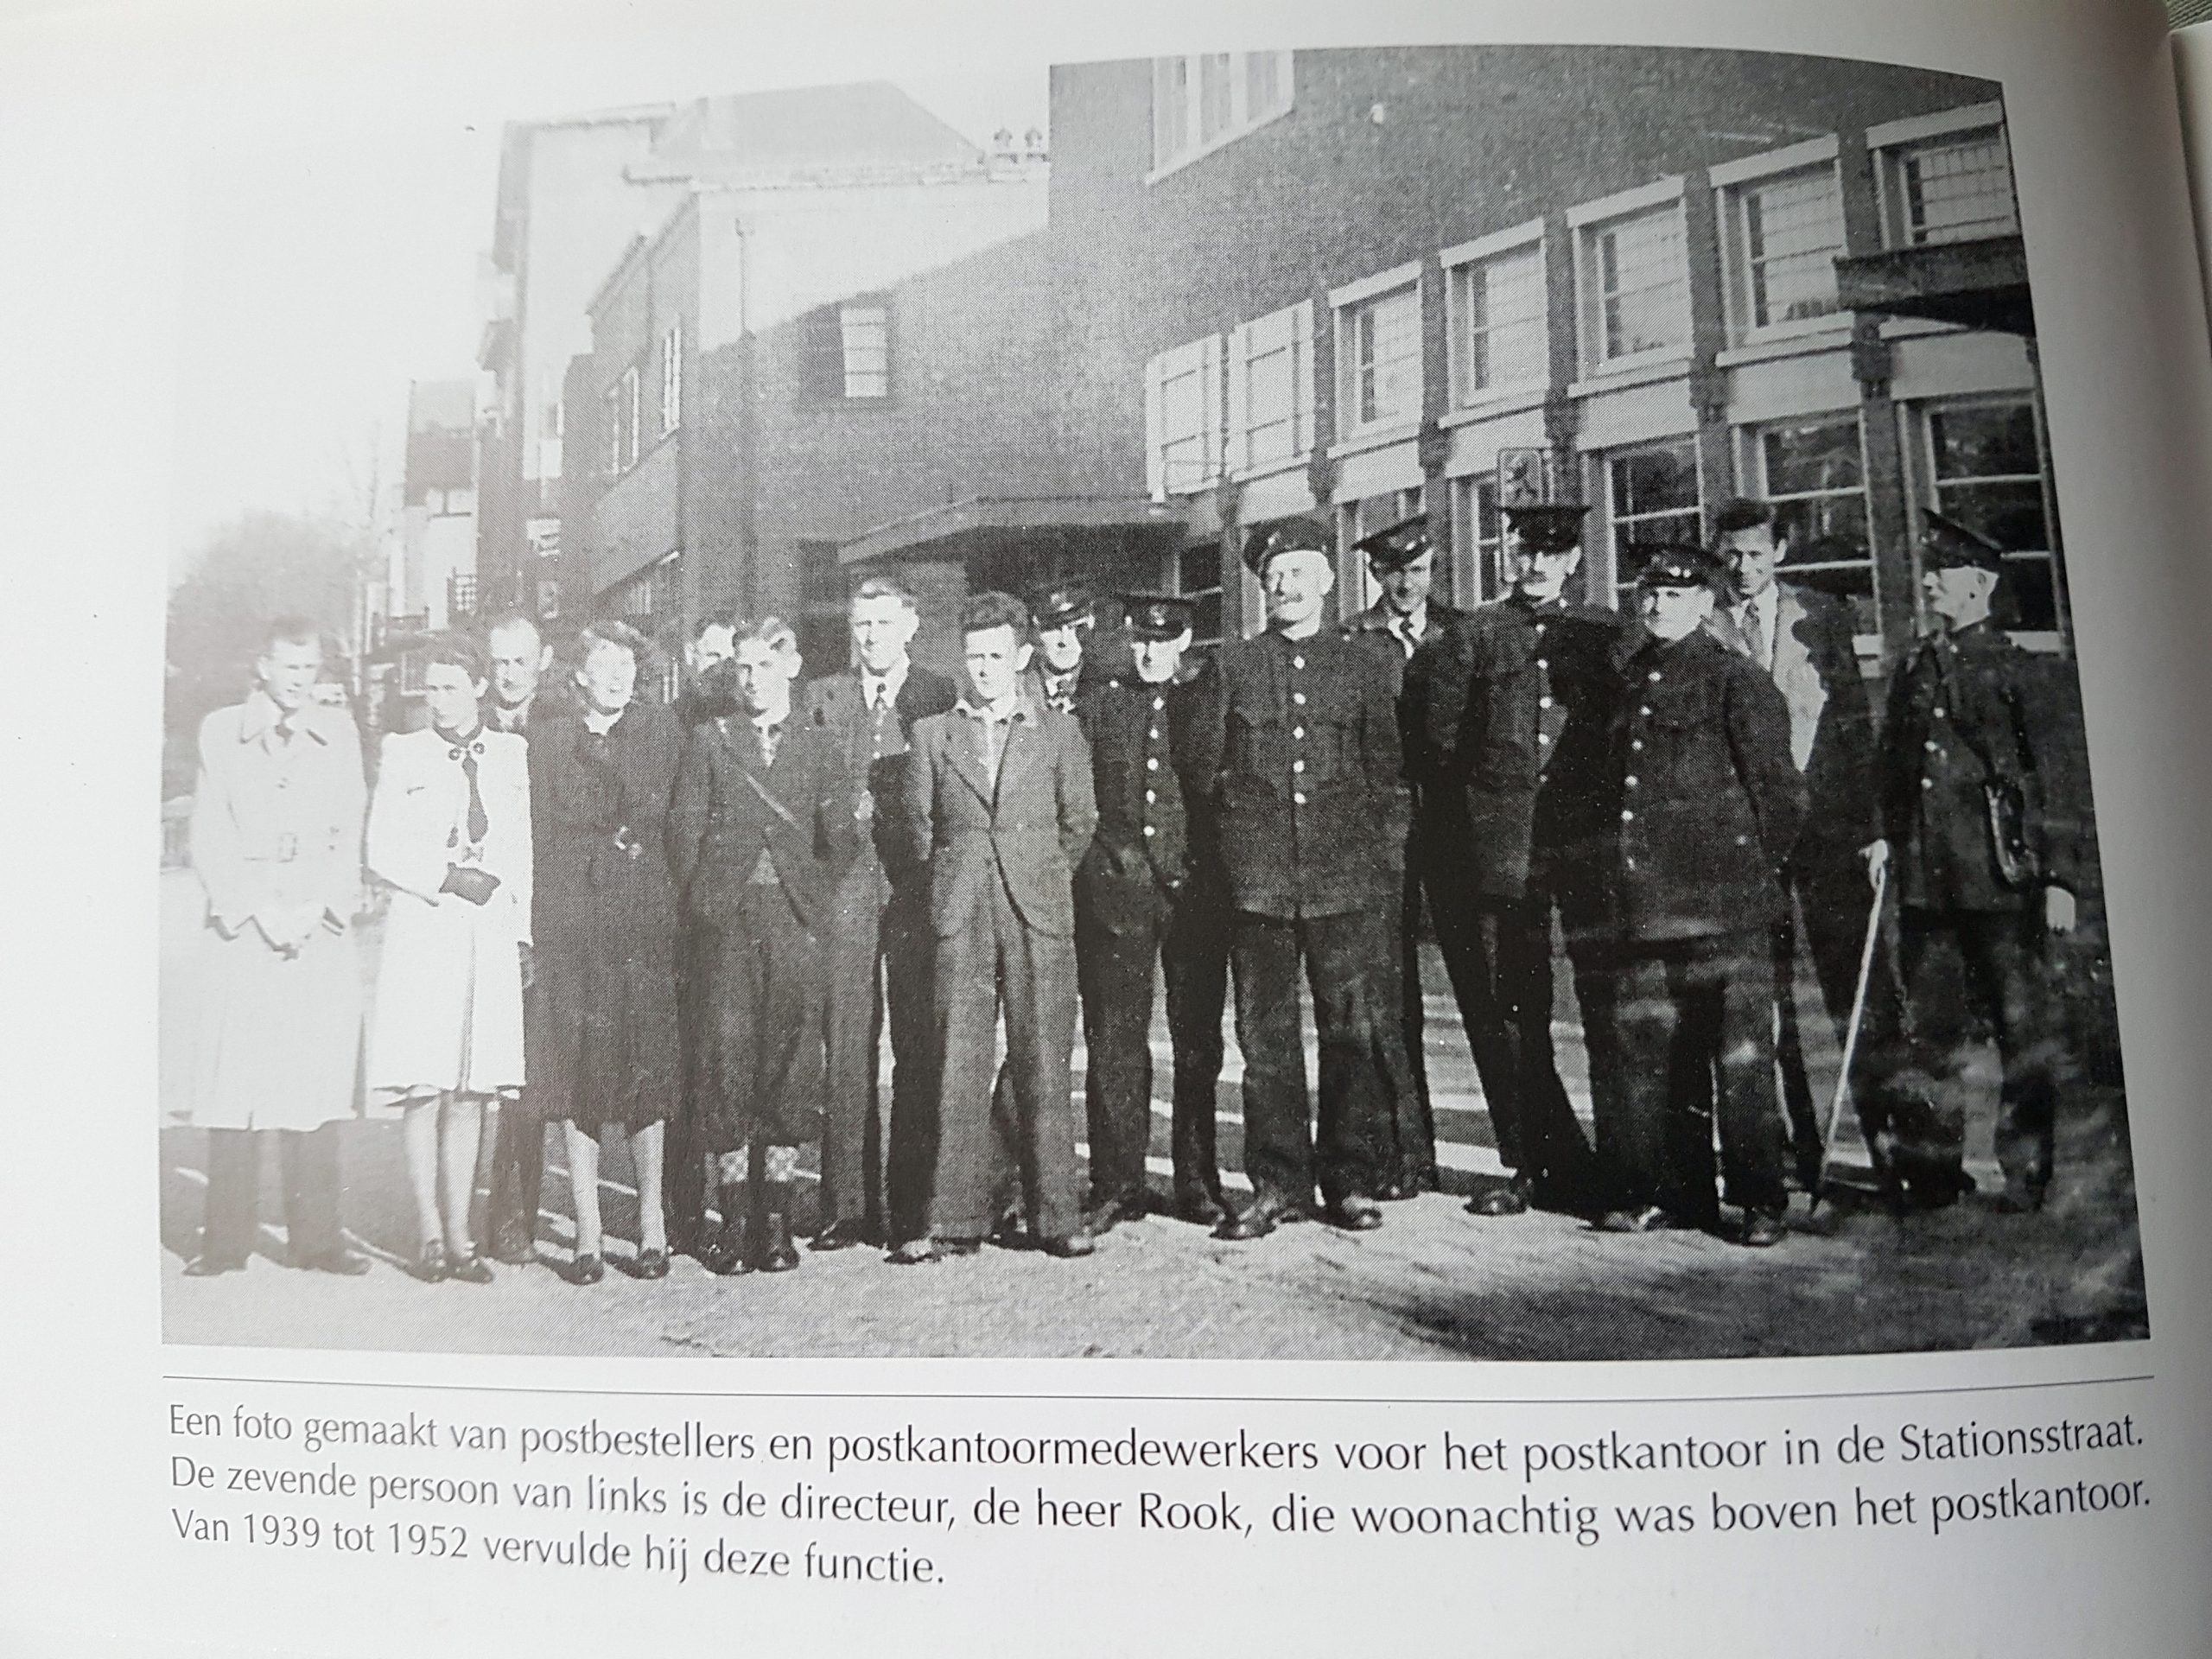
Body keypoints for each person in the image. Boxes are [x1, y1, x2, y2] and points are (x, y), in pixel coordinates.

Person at [1402, 499, 1622, 1219]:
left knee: (1608, 1011)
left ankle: (1624, 1169)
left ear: (1574, 562)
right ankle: (1535, 1161)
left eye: (1551, 554)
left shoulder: (1605, 634)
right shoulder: (1475, 635)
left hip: (1585, 852)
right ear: (1507, 555)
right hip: (1502, 856)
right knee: (1511, 1011)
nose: (1534, 565)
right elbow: (1439, 747)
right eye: (1523, 550)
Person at [1188, 518, 1402, 1239]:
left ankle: (1349, 1179)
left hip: (1345, 886)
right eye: (1275, 577)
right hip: (1260, 891)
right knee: (1267, 1043)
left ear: (1328, 581)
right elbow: (1207, 774)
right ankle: (1277, 1184)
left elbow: (1388, 776)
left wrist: (1379, 865)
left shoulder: (1365, 665)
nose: (1286, 586)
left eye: (1300, 573)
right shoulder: (1235, 667)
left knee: (1351, 1035)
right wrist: (1238, 864)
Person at [1861, 512, 2081, 1213]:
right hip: (1928, 881)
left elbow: (2053, 780)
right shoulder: (1917, 665)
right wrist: (1881, 836)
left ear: (1981, 584)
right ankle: (1934, 1171)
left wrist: (2059, 879)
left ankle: (2026, 1172)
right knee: (1931, 1036)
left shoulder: (2018, 669)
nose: (1928, 580)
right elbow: (1891, 770)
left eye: (1942, 571)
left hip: (2002, 878)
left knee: (2023, 1031)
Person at [1593, 545, 1805, 1247]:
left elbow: (1778, 795)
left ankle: (1759, 1199)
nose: (1657, 607)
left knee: (1741, 1059)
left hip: (1726, 908)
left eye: (1676, 597)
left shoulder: (1735, 681)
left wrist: (1745, 876)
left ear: (1706, 606)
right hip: (1644, 903)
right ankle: (1664, 1193)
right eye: (1649, 594)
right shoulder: (1627, 681)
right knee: (1647, 1053)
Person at [896, 591, 1098, 1262]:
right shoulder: (931, 733)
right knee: (959, 1059)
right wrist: (960, 879)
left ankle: (1054, 1215)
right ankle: (955, 1218)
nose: (984, 668)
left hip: (1037, 907)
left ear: (1020, 657)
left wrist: (1039, 873)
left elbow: (1081, 822)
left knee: (1043, 1059)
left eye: (995, 656)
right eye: (974, 656)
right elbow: (920, 829)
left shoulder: (1058, 731)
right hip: (960, 908)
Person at [1708, 499, 1895, 1194]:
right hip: (1749, 838)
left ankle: (1897, 1152)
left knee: (1861, 989)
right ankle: (1795, 1145)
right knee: (1768, 997)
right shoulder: (1704, 623)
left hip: (1830, 833)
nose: (1744, 566)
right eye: (1731, 553)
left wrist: (1873, 827)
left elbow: (1852, 725)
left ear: (1779, 552)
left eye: (1756, 553)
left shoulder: (1823, 617)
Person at [671, 620, 859, 1273]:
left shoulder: (819, 746)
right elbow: (683, 835)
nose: (751, 680)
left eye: (764, 666)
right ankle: (733, 1219)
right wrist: (711, 902)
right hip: (726, 926)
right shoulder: (710, 741)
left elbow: (841, 839)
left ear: (793, 667)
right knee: (725, 1064)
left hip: (792, 922)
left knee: (791, 1065)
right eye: (743, 667)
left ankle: (776, 1221)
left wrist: (805, 894)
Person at [183, 618, 369, 1277]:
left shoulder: (339, 734)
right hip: (246, 929)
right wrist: (256, 909)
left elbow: (350, 829)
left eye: (311, 668)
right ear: (261, 666)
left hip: (313, 932)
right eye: (290, 668)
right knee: (235, 1081)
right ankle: (225, 1241)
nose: (301, 681)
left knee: (313, 1081)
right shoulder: (221, 733)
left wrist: (319, 906)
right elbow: (208, 836)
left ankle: (317, 1239)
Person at [365, 632, 532, 1283]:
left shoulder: (510, 754)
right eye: (431, 688)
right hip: (426, 928)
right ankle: (429, 1235)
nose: (439, 701)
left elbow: (520, 852)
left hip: (486, 934)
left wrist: (521, 935)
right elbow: (380, 848)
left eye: (451, 688)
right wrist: (443, 877)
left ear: (479, 689)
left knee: (470, 1089)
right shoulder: (404, 753)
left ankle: (462, 1235)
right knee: (424, 1082)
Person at [798, 577, 959, 1249]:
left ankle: (913, 1208)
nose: (870, 637)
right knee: (847, 1045)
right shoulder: (823, 698)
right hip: (846, 890)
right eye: (861, 625)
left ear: (911, 626)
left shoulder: (940, 695)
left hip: (915, 889)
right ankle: (847, 1205)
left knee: (917, 1046)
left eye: (884, 624)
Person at [528, 623, 684, 1285]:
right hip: (574, 921)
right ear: (580, 674)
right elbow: (538, 834)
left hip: (642, 920)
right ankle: (588, 1231)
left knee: (646, 1069)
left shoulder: (663, 733)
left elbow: (677, 824)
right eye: (603, 662)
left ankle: (652, 1223)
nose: (617, 674)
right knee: (578, 1070)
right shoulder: (549, 742)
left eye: (627, 661)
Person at [1072, 595, 1230, 1231]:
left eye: (1162, 642)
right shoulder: (1101, 704)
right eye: (1139, 641)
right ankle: (1118, 1183)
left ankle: (1197, 1181)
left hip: (1194, 896)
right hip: (1120, 893)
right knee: (1115, 1040)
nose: (1148, 654)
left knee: (1197, 1043)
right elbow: (1081, 800)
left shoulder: (1206, 700)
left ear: (1185, 640)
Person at [1341, 512, 1468, 1198]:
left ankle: (1531, 1157)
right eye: (1393, 572)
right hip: (1382, 831)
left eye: (1418, 571)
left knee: (1486, 992)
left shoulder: (1462, 633)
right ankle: (1404, 1154)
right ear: (1376, 575)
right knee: (1387, 995)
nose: (1406, 584)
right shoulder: (1352, 642)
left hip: (1454, 831)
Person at [481, 610, 557, 1262]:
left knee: (529, 1074)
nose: (508, 675)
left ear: (544, 661)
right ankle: (469, 1209)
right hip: (479, 916)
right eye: (499, 662)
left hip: (547, 919)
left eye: (520, 661)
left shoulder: (559, 727)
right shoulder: (466, 725)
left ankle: (514, 1216)